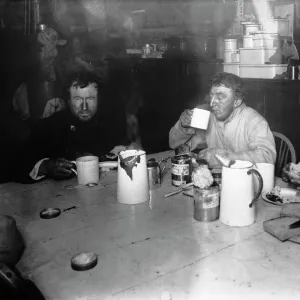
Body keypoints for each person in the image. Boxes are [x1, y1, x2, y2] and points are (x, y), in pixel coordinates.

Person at [16, 71, 136, 183]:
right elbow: (18, 165)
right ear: (68, 101)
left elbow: (130, 151)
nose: (84, 106)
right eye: (78, 99)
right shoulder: (50, 126)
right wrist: (47, 166)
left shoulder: (111, 122)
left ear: (98, 100)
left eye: (90, 98)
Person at [169, 72, 276, 166]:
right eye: (211, 96)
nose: (212, 103)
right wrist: (183, 127)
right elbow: (177, 147)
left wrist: (222, 157)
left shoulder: (255, 122)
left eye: (220, 97)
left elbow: (268, 158)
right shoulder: (209, 117)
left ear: (237, 101)